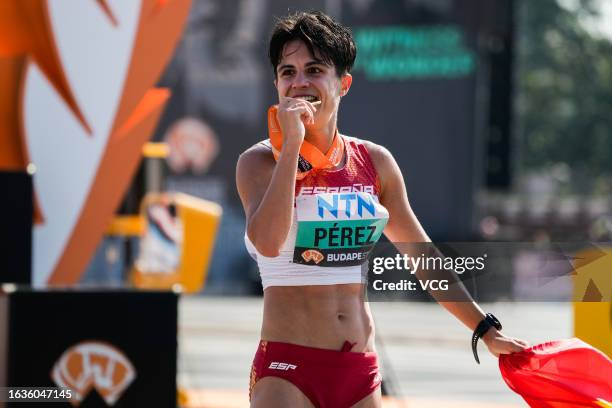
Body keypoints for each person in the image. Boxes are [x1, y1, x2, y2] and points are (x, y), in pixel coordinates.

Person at [236, 11, 528, 408]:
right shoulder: (259, 163)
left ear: (343, 84)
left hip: (359, 371)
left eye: (315, 69)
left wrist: (485, 329)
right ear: (276, 84)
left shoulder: (374, 161)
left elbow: (423, 257)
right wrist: (291, 147)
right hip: (288, 370)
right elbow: (268, 243)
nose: (300, 82)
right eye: (288, 72)